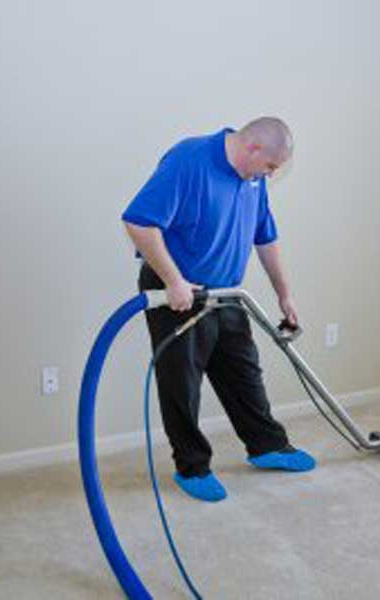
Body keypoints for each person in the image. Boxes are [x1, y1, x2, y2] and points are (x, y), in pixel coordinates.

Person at [121, 117, 315, 503]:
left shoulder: (252, 179)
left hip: (227, 293)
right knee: (182, 382)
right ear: (253, 148)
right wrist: (174, 281)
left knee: (243, 371)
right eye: (271, 167)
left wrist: (285, 294)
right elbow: (138, 222)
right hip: (178, 291)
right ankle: (191, 466)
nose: (270, 175)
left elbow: (266, 237)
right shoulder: (189, 160)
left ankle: (266, 445)